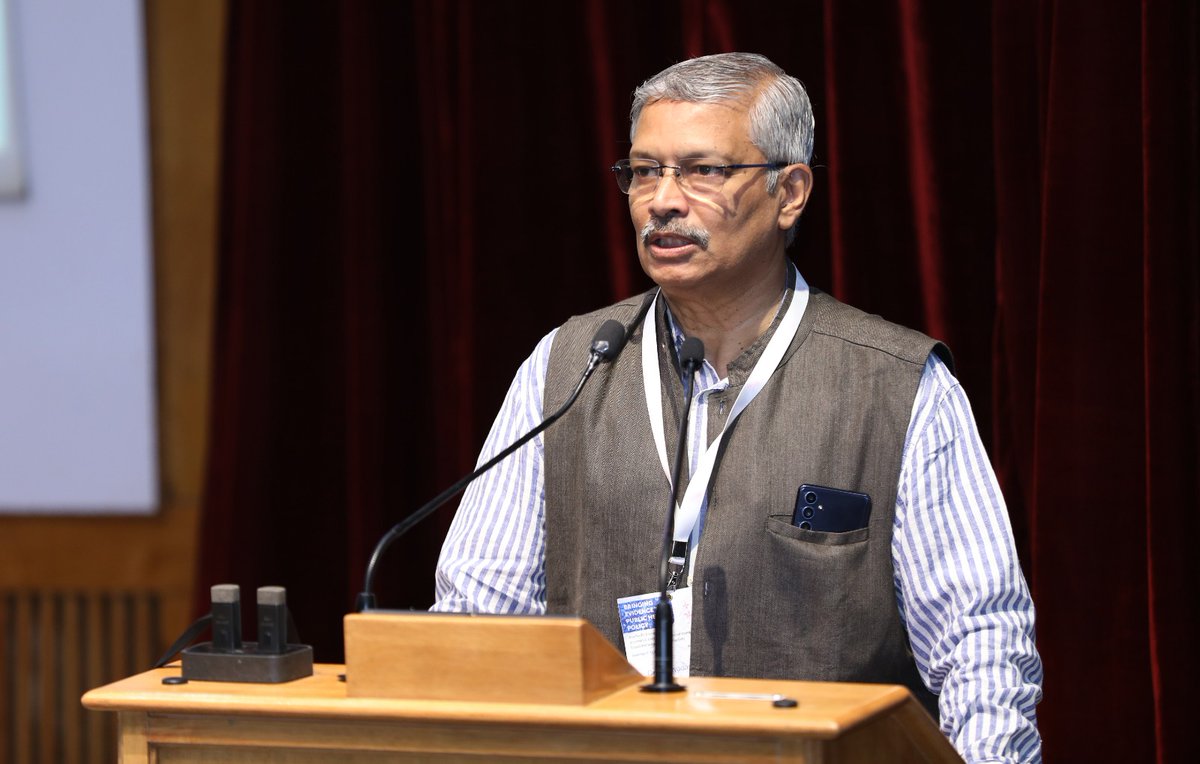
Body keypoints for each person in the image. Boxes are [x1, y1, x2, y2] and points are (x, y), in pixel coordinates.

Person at [433, 52, 1042, 763]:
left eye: (702, 171)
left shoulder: (896, 385)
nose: (662, 199)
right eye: (644, 171)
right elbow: (477, 619)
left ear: (790, 192)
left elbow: (982, 646)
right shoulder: (569, 365)